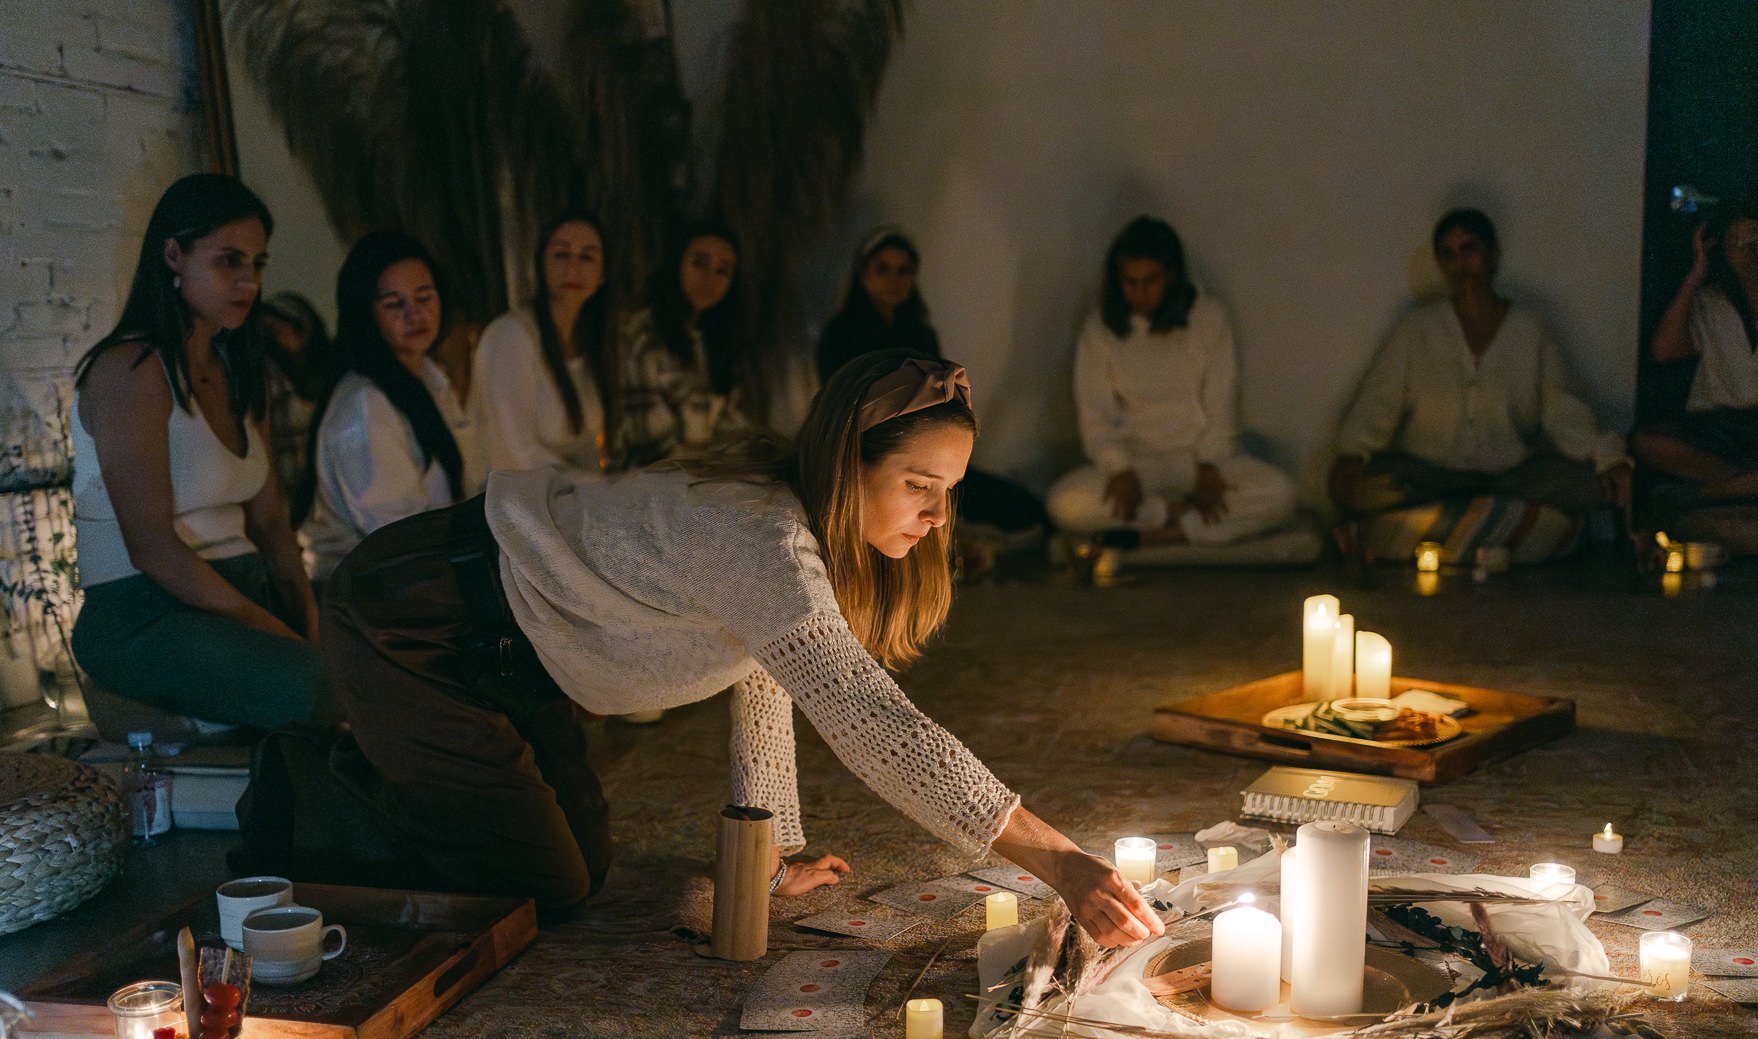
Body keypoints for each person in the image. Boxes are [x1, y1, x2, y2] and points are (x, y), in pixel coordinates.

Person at [279, 349, 1164, 946]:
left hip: (517, 658)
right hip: (415, 620)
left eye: (950, 491)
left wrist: (766, 857)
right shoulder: (762, 540)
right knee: (542, 884)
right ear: (843, 463)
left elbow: (763, 677)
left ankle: (423, 765)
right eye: (918, 486)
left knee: (584, 863)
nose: (938, 517)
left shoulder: (790, 537)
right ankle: (317, 779)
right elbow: (874, 725)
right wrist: (1060, 861)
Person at [68, 173, 331, 729]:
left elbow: (274, 529)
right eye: (227, 260)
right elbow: (153, 550)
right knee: (327, 687)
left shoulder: (239, 367)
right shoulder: (129, 371)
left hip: (245, 596)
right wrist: (286, 640)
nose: (247, 281)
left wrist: (310, 622)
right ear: (172, 254)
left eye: (257, 264)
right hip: (147, 615)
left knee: (389, 663)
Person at [1330, 208, 1630, 519]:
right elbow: (1379, 401)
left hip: (1511, 477)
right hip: (1430, 475)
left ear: (1493, 252)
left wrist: (1607, 458)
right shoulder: (1418, 328)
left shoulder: (1529, 329)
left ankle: (1468, 516)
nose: (1460, 264)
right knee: (1370, 487)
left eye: (1469, 249)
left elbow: (1564, 411)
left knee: (1592, 486)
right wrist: (1352, 456)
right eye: (1449, 255)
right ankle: (1480, 517)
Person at [1048, 216, 1298, 546]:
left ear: (1170, 275)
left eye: (1149, 281)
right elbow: (1096, 418)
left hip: (1200, 462)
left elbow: (1222, 403)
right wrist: (1120, 469)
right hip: (1137, 467)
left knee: (1281, 494)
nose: (1139, 293)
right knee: (1064, 504)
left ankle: (1168, 534)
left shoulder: (1208, 317)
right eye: (1129, 282)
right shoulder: (1100, 329)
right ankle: (1170, 517)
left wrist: (1209, 464)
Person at [818, 228, 1047, 537]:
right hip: (871, 447)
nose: (893, 280)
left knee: (1007, 501)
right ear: (862, 273)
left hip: (925, 445)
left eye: (903, 271)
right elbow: (840, 402)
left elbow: (938, 397)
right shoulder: (840, 334)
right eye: (882, 269)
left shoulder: (919, 332)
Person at [298, 232, 489, 583]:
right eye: (392, 303)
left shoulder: (428, 377)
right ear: (366, 314)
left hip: (430, 572)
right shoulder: (365, 404)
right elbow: (398, 536)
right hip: (375, 592)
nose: (414, 314)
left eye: (424, 297)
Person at [1636, 208, 1758, 507]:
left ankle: (1718, 491)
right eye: (1738, 239)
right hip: (1717, 433)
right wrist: (1695, 275)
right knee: (1646, 444)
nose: (1751, 247)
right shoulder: (1710, 302)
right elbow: (1664, 351)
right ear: (1722, 250)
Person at [470, 210, 611, 475]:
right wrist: (592, 491)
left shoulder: (590, 341)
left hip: (572, 499)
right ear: (541, 264)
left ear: (603, 274)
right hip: (515, 502)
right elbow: (514, 452)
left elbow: (586, 445)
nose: (573, 268)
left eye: (587, 257)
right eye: (561, 254)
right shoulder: (511, 336)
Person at [615, 220, 750, 467]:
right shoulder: (643, 336)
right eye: (700, 263)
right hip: (656, 483)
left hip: (711, 479)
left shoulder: (719, 340)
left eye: (723, 270)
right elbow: (651, 442)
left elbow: (734, 425)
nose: (710, 278)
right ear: (677, 263)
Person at [258, 291, 333, 508]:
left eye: (280, 327)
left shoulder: (331, 371)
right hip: (292, 492)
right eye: (269, 330)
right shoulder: (269, 378)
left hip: (329, 489)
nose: (276, 335)